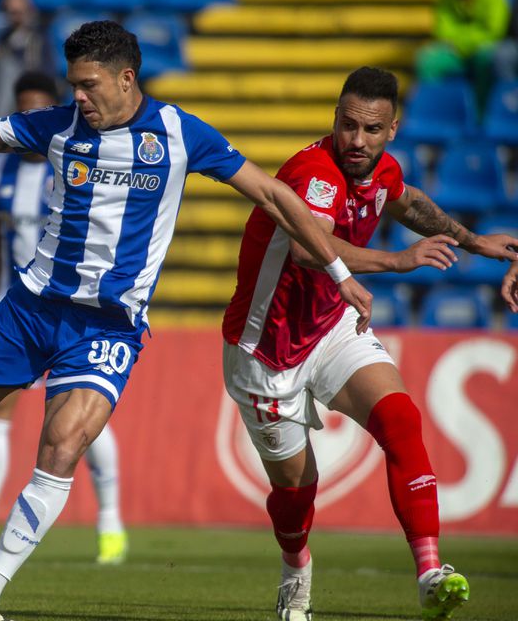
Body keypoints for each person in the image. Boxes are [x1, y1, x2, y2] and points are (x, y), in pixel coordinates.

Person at [0, 20, 372, 621]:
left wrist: (340, 273)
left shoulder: (179, 134)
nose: (78, 97)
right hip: (32, 308)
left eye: (90, 85)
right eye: (74, 84)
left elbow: (277, 196)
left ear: (128, 79)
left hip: (109, 326)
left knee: (63, 443)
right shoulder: (58, 127)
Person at [221, 66, 518, 621]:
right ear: (335, 117)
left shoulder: (380, 169)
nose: (357, 140)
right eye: (348, 125)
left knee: (401, 420)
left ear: (392, 130)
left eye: (372, 129)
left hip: (332, 328)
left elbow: (405, 200)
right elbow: (313, 249)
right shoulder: (315, 173)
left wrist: (473, 241)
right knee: (296, 491)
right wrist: (396, 261)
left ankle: (430, 571)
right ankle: (296, 568)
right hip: (266, 351)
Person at [0, 71, 127, 566]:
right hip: (18, 306)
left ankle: (111, 524)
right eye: (21, 107)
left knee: (80, 421)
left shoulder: (75, 158)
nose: (27, 118)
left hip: (72, 308)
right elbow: (0, 239)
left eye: (36, 108)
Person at [415, 0, 510, 112]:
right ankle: (435, 109)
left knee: (486, 58)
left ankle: (481, 113)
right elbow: (442, 31)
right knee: (427, 61)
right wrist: (468, 41)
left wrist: (460, 41)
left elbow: (494, 31)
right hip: (455, 52)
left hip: (478, 50)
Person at [0, 0, 55, 117]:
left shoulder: (40, 38)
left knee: (8, 69)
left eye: (20, 11)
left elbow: (46, 74)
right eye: (12, 12)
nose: (17, 17)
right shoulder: (1, 41)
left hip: (29, 94)